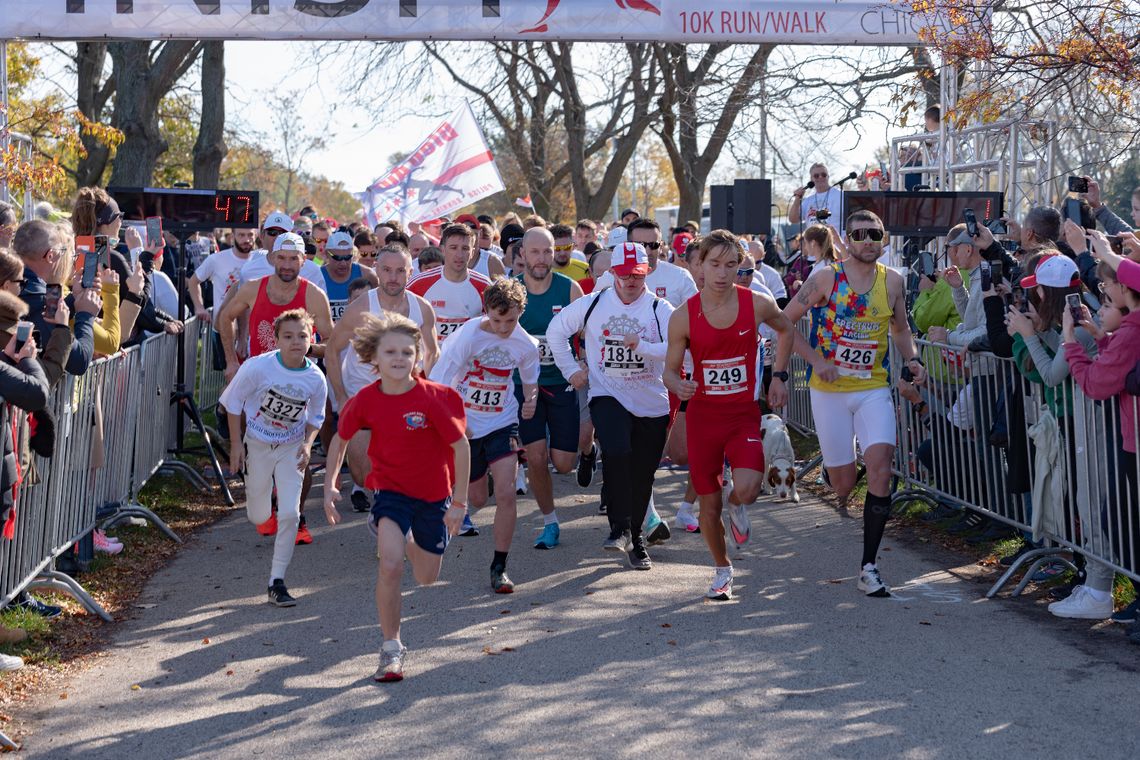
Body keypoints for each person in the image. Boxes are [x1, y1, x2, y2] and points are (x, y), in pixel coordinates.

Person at [782, 210, 927, 597]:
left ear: (884, 239)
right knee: (844, 484)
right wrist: (815, 361)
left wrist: (912, 359)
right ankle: (837, 472)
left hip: (873, 388)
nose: (868, 240)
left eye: (874, 234)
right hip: (829, 392)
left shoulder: (893, 281)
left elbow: (900, 328)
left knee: (881, 468)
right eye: (860, 234)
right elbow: (784, 321)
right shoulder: (827, 278)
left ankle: (869, 567)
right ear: (846, 240)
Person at [323, 313, 470, 681]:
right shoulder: (366, 400)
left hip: (435, 496)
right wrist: (329, 486)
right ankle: (391, 648)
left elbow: (462, 447)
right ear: (374, 357)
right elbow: (341, 437)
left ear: (418, 356)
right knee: (389, 565)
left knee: (426, 577)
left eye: (407, 351)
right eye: (391, 351)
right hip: (389, 491)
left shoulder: (435, 398)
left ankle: (410, 539)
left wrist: (459, 503)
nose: (399, 358)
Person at [664, 230, 793, 599]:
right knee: (708, 502)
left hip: (741, 415)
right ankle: (722, 569)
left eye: (731, 265)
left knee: (750, 487)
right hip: (704, 417)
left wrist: (779, 376)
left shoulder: (757, 303)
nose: (722, 273)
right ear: (700, 266)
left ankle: (738, 506)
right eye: (715, 264)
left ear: (740, 265)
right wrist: (678, 384)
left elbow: (786, 330)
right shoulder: (683, 316)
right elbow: (669, 371)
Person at [547, 242, 674, 570]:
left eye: (637, 274)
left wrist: (644, 347)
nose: (630, 281)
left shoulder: (660, 309)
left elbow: (680, 349)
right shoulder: (593, 304)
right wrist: (573, 372)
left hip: (650, 401)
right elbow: (556, 331)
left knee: (643, 473)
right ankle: (619, 530)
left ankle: (637, 538)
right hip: (607, 394)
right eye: (624, 274)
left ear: (646, 272)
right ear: (611, 273)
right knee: (616, 452)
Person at [429, 279, 540, 592]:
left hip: (502, 422)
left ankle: (499, 566)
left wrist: (530, 400)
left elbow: (530, 380)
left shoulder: (526, 344)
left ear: (521, 313)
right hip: (465, 426)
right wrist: (440, 421)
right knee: (478, 498)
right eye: (497, 320)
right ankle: (480, 474)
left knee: (506, 493)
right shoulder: (469, 334)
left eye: (511, 320)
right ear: (486, 311)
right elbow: (440, 377)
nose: (504, 327)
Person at [221, 309, 326, 607]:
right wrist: (235, 446)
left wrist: (308, 444)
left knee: (291, 515)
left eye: (302, 336)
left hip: (291, 449)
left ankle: (276, 582)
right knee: (259, 515)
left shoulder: (316, 378)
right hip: (257, 443)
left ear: (312, 338)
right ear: (276, 340)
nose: (296, 342)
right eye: (288, 336)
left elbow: (316, 416)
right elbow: (232, 403)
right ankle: (263, 493)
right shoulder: (258, 367)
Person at [326, 245, 438, 512]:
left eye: (400, 271)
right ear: (377, 269)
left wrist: (431, 393)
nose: (393, 277)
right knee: (362, 474)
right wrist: (341, 396)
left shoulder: (422, 309)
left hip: (404, 397)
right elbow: (332, 349)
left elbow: (433, 352)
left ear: (410, 273)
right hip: (362, 395)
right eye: (387, 270)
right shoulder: (361, 308)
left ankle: (391, 516)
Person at [514, 227, 585, 549]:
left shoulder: (569, 290)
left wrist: (583, 364)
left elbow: (588, 336)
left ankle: (587, 449)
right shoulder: (510, 292)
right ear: (522, 255)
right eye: (535, 252)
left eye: (547, 251)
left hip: (562, 385)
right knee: (537, 457)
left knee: (565, 463)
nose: (542, 258)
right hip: (525, 387)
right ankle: (549, 522)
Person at [408, 224, 490, 347]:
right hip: (430, 363)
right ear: (443, 250)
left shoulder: (485, 287)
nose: (459, 255)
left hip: (467, 363)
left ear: (472, 252)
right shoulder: (418, 284)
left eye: (465, 248)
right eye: (453, 247)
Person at [321, 231, 378, 322]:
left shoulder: (368, 275)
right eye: (337, 258)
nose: (343, 263)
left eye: (348, 257)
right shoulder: (318, 276)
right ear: (327, 254)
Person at [789, 164, 846, 234]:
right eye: (816, 176)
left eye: (824, 174)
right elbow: (793, 220)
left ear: (828, 176)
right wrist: (797, 199)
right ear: (811, 179)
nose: (820, 177)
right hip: (814, 244)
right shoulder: (807, 201)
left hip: (836, 244)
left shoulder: (841, 195)